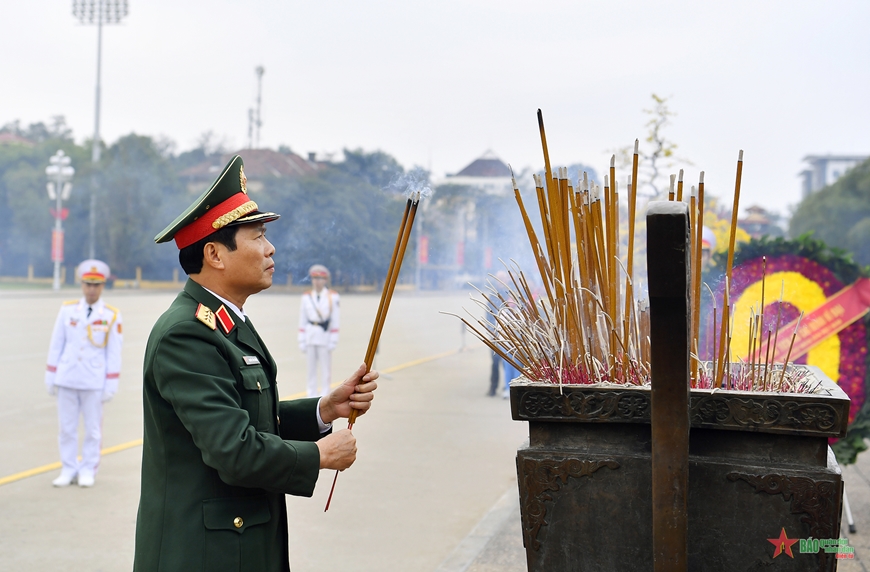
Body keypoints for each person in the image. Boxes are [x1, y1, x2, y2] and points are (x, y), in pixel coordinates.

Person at [133, 155, 378, 571]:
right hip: (203, 553)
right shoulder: (187, 334)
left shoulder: (227, 321)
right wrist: (318, 454)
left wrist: (323, 410)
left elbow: (245, 415)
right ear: (215, 254)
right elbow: (234, 450)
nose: (270, 248)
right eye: (258, 236)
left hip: (237, 545)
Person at [44, 259, 123, 488]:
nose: (91, 289)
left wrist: (111, 384)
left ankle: (88, 469)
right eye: (88, 284)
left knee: (93, 431)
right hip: (67, 377)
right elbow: (56, 344)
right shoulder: (68, 310)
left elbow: (114, 353)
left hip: (93, 381)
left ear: (102, 286)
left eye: (96, 285)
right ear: (81, 285)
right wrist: (51, 374)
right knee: (66, 429)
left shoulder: (111, 315)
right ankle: (68, 468)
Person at [298, 264, 341, 397]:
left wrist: (333, 339)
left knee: (325, 369)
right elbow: (302, 319)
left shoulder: (332, 297)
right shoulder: (306, 297)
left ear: (325, 280)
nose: (317, 281)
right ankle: (311, 394)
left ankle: (325, 394)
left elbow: (335, 319)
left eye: (320, 279)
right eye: (315, 278)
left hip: (325, 336)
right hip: (310, 335)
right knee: (310, 369)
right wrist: (301, 339)